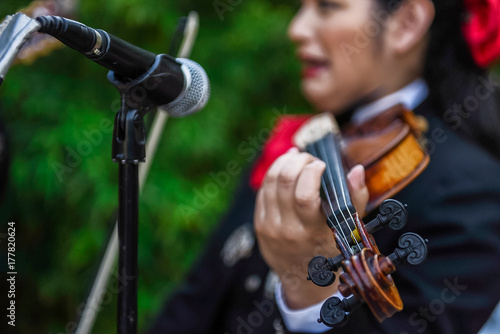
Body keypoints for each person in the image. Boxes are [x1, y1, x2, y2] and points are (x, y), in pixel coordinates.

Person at [147, 0, 500, 333]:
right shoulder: (303, 140)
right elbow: (193, 303)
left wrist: (313, 295)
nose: (296, 29)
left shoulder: (472, 187)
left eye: (327, 6)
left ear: (406, 23)